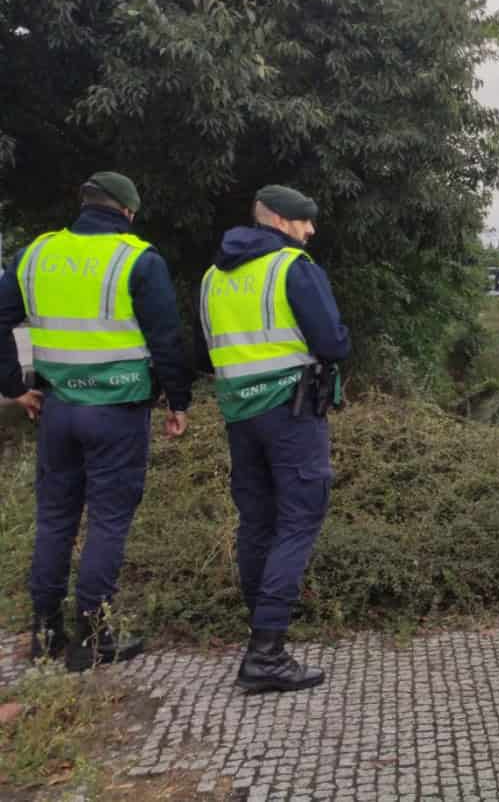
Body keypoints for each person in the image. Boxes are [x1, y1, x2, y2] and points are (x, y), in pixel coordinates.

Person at [0, 173, 191, 670]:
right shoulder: (137, 259)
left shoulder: (34, 255)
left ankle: (45, 633)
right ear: (127, 212)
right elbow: (166, 338)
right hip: (117, 412)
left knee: (55, 520)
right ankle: (93, 637)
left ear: (84, 205)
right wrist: (178, 401)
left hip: (57, 409)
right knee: (107, 520)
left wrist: (15, 388)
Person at [200, 185, 350, 692]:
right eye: (305, 221)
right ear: (282, 221)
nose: (310, 231)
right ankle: (266, 654)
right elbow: (331, 341)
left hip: (239, 415)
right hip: (292, 412)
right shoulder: (291, 267)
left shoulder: (213, 276)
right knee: (299, 520)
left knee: (257, 523)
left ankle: (258, 629)